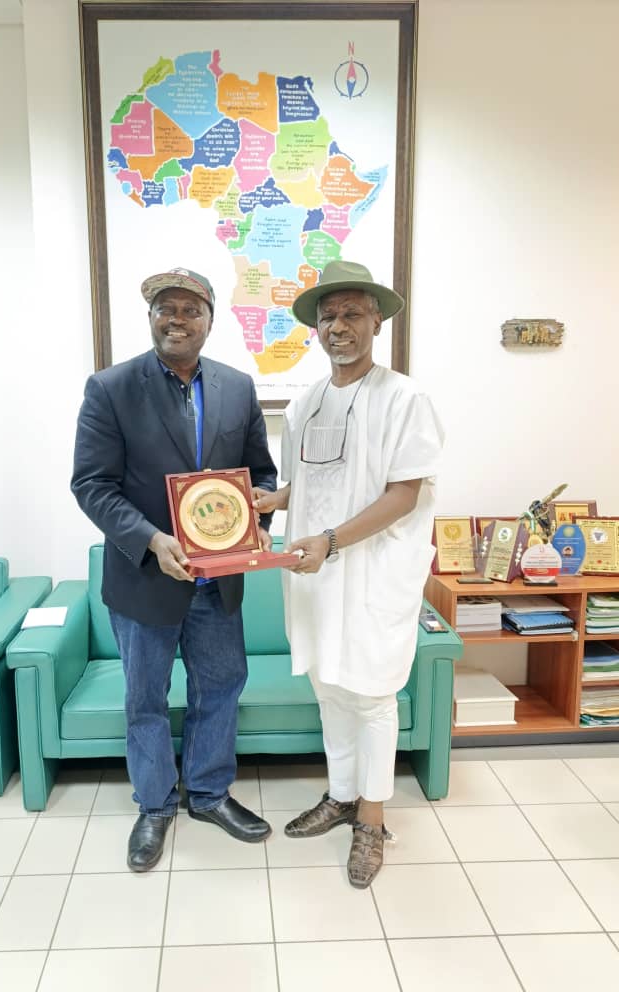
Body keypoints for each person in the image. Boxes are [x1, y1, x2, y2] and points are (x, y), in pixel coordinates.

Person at [72, 267, 277, 871]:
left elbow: (259, 474)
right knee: (146, 698)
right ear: (151, 317)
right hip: (144, 576)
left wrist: (257, 516)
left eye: (191, 309)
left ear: (211, 321)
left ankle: (210, 794)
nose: (177, 319)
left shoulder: (238, 388)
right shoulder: (110, 388)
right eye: (166, 308)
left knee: (221, 686)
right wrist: (154, 539)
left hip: (219, 579)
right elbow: (92, 485)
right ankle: (155, 805)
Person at [253, 260, 443, 888]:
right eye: (328, 316)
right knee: (328, 686)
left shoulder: (404, 397)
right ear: (315, 327)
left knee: (372, 695)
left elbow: (404, 495)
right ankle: (339, 795)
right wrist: (269, 502)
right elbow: (308, 482)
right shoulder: (306, 401)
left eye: (352, 314)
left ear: (377, 321)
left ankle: (372, 817)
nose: (338, 326)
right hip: (313, 574)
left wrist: (331, 541)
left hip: (372, 574)